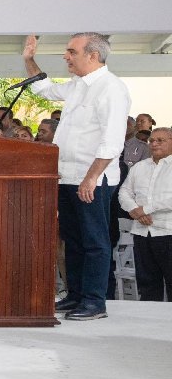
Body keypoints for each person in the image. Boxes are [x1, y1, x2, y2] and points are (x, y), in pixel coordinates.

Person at [23, 33, 130, 320]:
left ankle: (95, 302)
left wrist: (91, 177)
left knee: (95, 241)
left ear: (92, 55)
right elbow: (44, 90)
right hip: (66, 177)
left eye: (71, 51)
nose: (65, 57)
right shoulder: (77, 85)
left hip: (92, 180)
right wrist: (29, 60)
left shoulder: (112, 88)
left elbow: (112, 141)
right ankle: (76, 295)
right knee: (73, 239)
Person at [117, 128, 172, 302]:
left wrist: (145, 209)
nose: (154, 144)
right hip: (142, 233)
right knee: (147, 282)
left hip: (167, 231)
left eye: (160, 140)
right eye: (152, 140)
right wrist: (134, 210)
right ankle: (149, 323)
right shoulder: (140, 167)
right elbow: (123, 192)